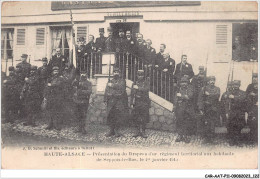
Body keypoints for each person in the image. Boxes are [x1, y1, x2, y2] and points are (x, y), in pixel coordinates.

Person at [104, 68, 129, 137]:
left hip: (118, 102)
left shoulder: (122, 81)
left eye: (117, 72)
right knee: (111, 116)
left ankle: (117, 131)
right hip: (111, 102)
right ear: (113, 73)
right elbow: (106, 90)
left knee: (118, 117)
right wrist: (105, 99)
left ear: (120, 73)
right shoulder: (110, 81)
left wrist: (112, 86)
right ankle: (111, 130)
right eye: (114, 72)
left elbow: (122, 89)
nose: (116, 73)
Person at [197, 76, 220, 143]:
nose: (212, 82)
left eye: (213, 80)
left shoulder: (217, 89)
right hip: (206, 108)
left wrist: (208, 94)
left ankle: (212, 138)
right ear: (208, 81)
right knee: (205, 123)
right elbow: (200, 99)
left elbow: (217, 96)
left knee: (212, 123)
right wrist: (200, 109)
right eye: (211, 80)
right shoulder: (204, 88)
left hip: (213, 108)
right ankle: (206, 138)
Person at [173, 76, 195, 143]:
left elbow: (189, 97)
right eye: (182, 82)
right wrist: (174, 106)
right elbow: (175, 98)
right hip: (179, 108)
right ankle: (180, 135)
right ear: (180, 83)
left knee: (186, 122)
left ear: (187, 83)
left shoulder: (190, 88)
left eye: (185, 82)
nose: (184, 84)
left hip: (187, 108)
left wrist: (181, 96)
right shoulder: (178, 89)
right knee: (179, 122)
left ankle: (186, 136)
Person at [225, 80, 247, 146]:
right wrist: (226, 112)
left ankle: (238, 141)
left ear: (239, 85)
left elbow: (243, 99)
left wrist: (234, 97)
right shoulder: (229, 93)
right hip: (232, 112)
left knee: (239, 126)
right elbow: (226, 103)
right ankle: (232, 141)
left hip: (239, 112)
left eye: (237, 85)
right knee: (231, 126)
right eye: (234, 85)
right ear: (233, 85)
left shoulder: (243, 93)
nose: (236, 86)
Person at [43, 66, 65, 131]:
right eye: (54, 71)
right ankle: (50, 124)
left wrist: (51, 85)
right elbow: (46, 87)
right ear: (52, 72)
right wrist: (45, 96)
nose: (56, 72)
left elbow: (58, 84)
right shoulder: (50, 78)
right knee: (50, 110)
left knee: (57, 111)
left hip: (57, 96)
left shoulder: (60, 78)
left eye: (57, 71)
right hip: (50, 96)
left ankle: (57, 125)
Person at [130, 70, 150, 138]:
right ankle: (137, 130)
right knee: (136, 117)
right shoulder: (134, 83)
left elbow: (146, 89)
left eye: (141, 75)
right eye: (139, 75)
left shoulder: (146, 82)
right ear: (137, 76)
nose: (140, 77)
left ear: (143, 76)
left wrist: (138, 88)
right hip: (137, 102)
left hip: (144, 102)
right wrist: (131, 103)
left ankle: (143, 131)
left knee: (144, 117)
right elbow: (132, 94)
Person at [246, 73, 258, 144]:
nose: (255, 79)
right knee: (252, 122)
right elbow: (246, 95)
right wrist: (250, 94)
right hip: (252, 107)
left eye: (256, 77)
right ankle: (252, 139)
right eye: (254, 77)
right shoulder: (250, 86)